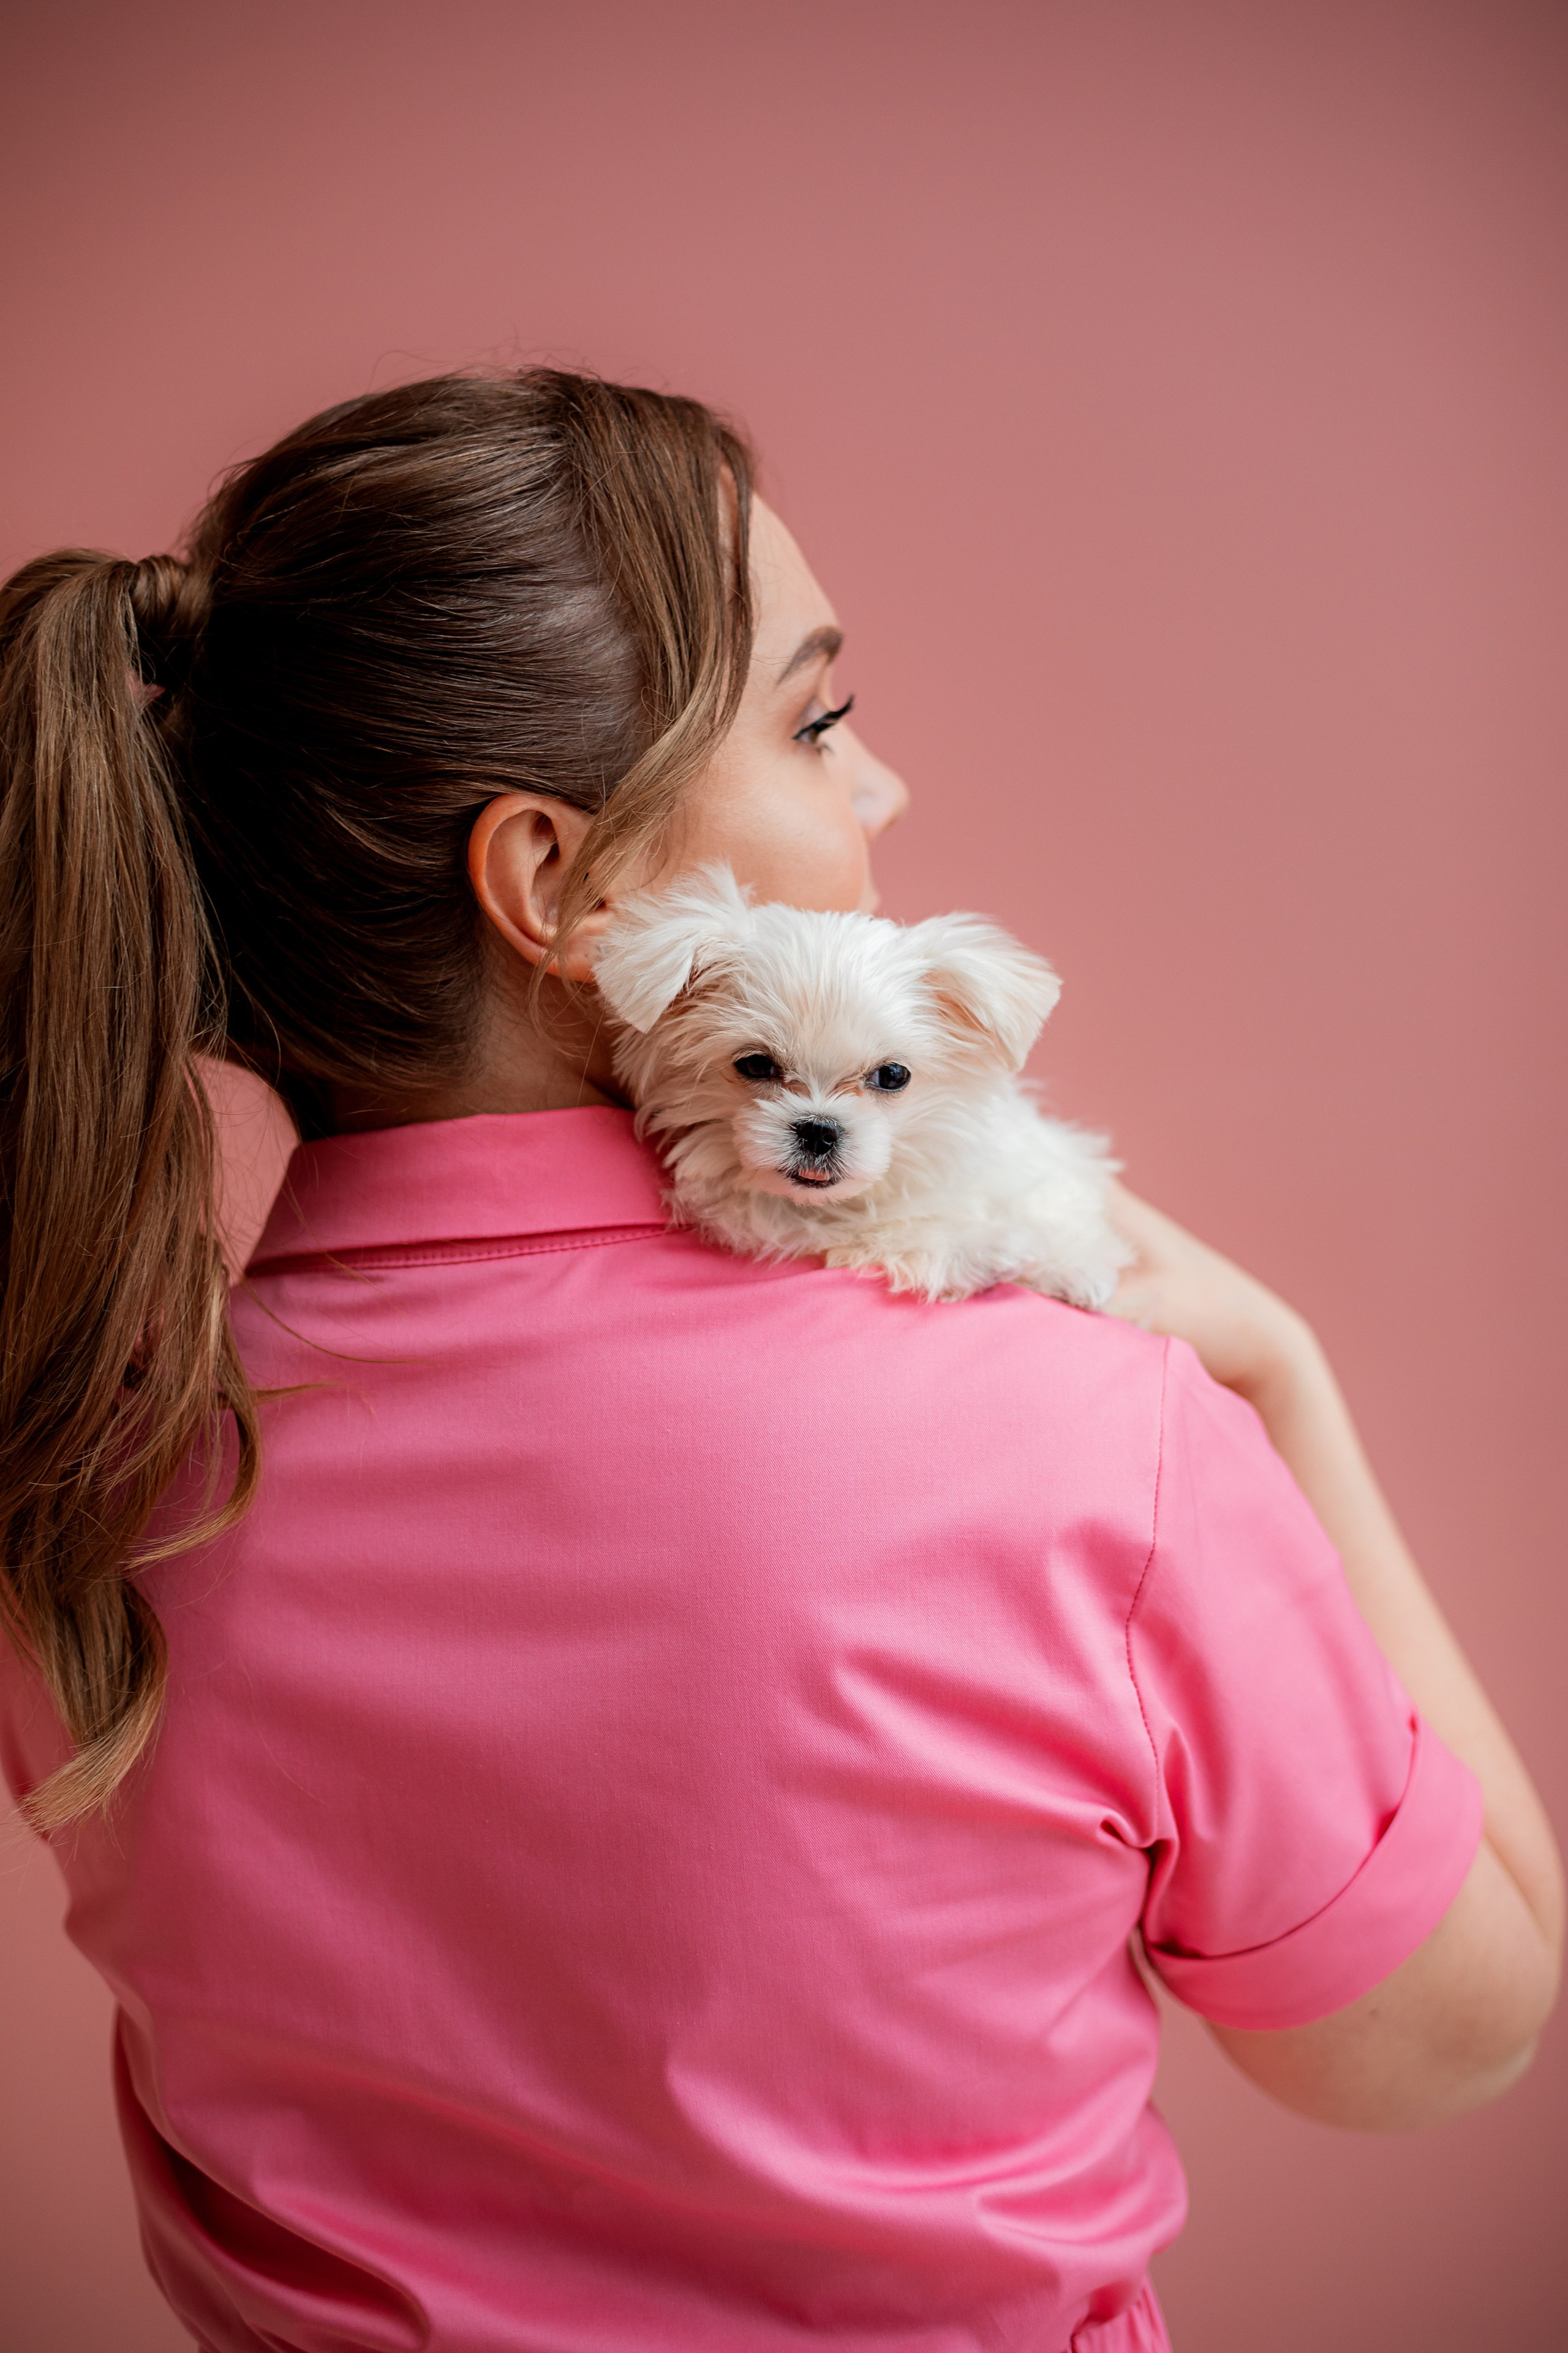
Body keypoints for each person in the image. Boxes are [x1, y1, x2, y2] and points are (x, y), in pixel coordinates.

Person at [0, 369, 1558, 2353]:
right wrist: (1285, 1387)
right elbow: (1438, 2041)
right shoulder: (1081, 1440)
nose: (881, 790)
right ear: (554, 886)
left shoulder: (79, 1481)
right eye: (817, 721)